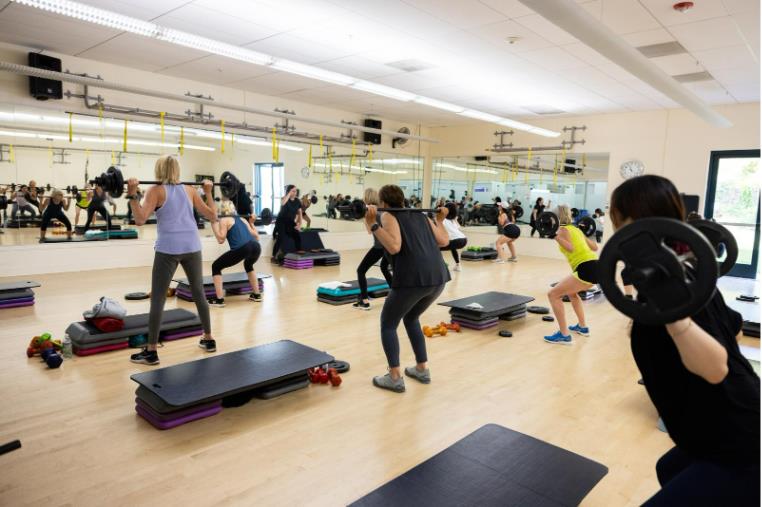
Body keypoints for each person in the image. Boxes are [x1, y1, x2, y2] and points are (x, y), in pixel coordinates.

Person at [609, 175, 759, 506]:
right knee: (669, 467)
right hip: (719, 427)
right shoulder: (692, 273)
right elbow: (733, 328)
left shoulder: (676, 288)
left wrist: (674, 316)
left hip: (743, 444)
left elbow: (717, 368)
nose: (619, 235)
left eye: (621, 223)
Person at [125, 155, 218, 365]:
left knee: (158, 298)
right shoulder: (190, 190)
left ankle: (151, 351)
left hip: (168, 248)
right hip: (192, 246)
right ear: (177, 169)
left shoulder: (155, 190)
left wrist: (132, 195)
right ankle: (209, 339)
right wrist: (209, 193)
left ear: (159, 170)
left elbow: (140, 219)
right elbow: (213, 216)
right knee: (199, 293)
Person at [366, 184, 451, 393]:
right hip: (438, 278)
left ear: (384, 203)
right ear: (402, 199)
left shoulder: (387, 216)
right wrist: (439, 221)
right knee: (411, 318)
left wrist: (373, 224)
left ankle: (394, 377)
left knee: (388, 324)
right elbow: (444, 240)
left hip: (413, 279)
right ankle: (422, 369)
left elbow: (394, 246)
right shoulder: (421, 216)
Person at [544, 204, 598, 345]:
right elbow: (595, 247)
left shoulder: (562, 230)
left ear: (555, 217)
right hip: (595, 267)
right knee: (572, 294)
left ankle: (564, 335)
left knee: (553, 294)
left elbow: (571, 248)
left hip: (585, 268)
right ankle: (583, 327)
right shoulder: (577, 230)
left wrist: (555, 236)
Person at [207, 200, 262, 307]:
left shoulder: (224, 220)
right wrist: (251, 222)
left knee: (216, 266)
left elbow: (220, 239)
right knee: (248, 264)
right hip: (256, 247)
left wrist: (213, 224)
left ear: (221, 210)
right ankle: (256, 295)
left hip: (243, 248)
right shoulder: (242, 219)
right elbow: (257, 236)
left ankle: (219, 300)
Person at [353, 188, 393, 311]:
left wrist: (365, 217)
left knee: (361, 270)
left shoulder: (370, 212)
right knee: (384, 267)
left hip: (379, 247)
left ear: (366, 198)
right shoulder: (382, 211)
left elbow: (370, 231)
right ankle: (393, 294)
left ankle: (364, 301)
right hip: (388, 245)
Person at [271, 184, 303, 262]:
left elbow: (300, 213)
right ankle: (273, 256)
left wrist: (299, 224)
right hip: (281, 221)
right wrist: (288, 194)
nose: (295, 192)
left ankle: (299, 254)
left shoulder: (298, 201)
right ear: (289, 191)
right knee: (280, 237)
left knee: (297, 235)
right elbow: (282, 203)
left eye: (296, 191)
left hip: (290, 222)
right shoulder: (285, 198)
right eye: (293, 191)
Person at [440, 203, 467, 271]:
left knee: (436, 248)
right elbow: (458, 227)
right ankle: (458, 265)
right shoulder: (451, 220)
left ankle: (442, 265)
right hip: (464, 239)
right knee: (453, 247)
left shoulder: (442, 219)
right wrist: (455, 220)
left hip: (456, 240)